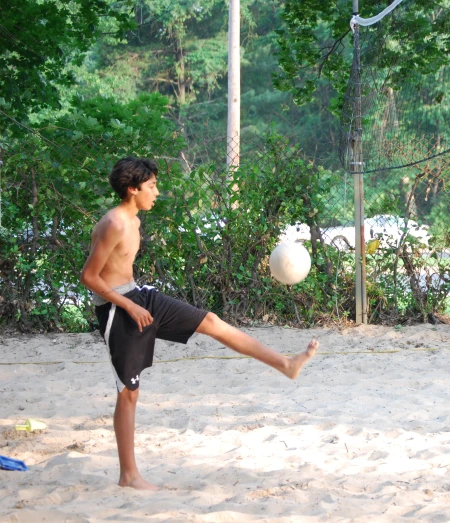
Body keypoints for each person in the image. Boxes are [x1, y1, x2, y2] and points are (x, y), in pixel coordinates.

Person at [80, 157, 319, 491]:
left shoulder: (133, 221)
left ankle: (286, 364)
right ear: (132, 189)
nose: (157, 192)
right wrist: (130, 307)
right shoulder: (114, 224)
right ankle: (128, 476)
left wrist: (136, 300)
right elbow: (89, 277)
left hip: (138, 296)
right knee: (129, 393)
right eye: (151, 186)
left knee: (211, 320)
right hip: (116, 309)